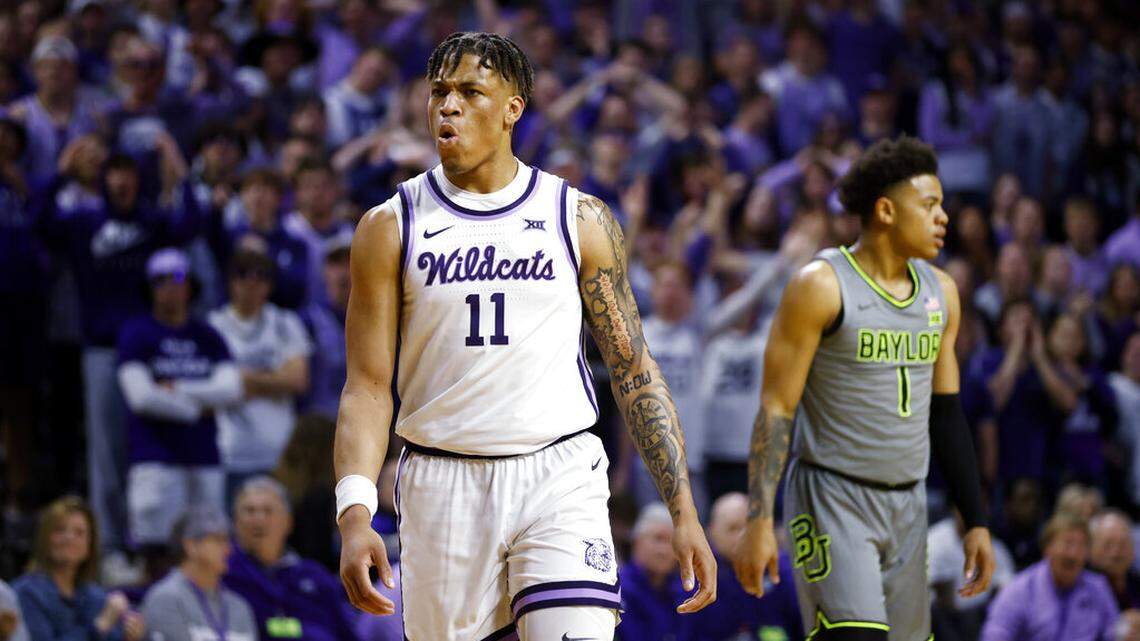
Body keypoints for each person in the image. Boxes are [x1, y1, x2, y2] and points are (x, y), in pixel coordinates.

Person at [333, 32, 715, 641]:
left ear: (513, 108)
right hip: (442, 480)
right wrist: (355, 512)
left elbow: (632, 367)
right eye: (438, 92)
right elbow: (367, 387)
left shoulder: (578, 217)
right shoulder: (389, 226)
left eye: (469, 91)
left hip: (557, 471)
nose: (448, 106)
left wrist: (683, 510)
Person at [733, 136, 996, 641]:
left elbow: (946, 414)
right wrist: (760, 518)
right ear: (886, 211)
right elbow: (777, 406)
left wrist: (976, 519)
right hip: (833, 497)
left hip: (909, 504)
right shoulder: (821, 284)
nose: (944, 217)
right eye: (929, 205)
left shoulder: (942, 291)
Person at [117, 248, 241, 567]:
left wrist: (176, 388)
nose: (170, 286)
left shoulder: (207, 336)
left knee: (209, 550)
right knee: (156, 550)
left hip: (205, 457)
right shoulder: (137, 333)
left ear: (190, 285)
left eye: (178, 277)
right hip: (154, 458)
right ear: (149, 287)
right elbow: (141, 397)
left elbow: (231, 389)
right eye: (160, 280)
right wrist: (196, 409)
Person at [208, 249, 311, 501]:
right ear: (230, 281)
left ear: (270, 284)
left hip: (279, 450)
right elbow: (212, 388)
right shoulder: (213, 325)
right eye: (243, 274)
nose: (251, 282)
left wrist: (241, 379)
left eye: (261, 275)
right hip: (230, 450)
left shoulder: (285, 322)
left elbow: (298, 380)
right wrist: (273, 378)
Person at [223, 477, 358, 641]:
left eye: (268, 511)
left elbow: (347, 632)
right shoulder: (223, 573)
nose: (258, 519)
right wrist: (300, 629)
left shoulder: (315, 575)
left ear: (288, 522)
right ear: (235, 521)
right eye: (249, 511)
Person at [13, 496, 146, 641]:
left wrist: (130, 635)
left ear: (90, 545)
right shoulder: (27, 593)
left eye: (79, 533)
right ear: (44, 539)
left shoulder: (94, 595)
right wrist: (99, 627)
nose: (69, 538)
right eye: (60, 530)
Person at [980, 512, 1119, 641]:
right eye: (1068, 543)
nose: (1073, 554)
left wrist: (1125, 630)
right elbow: (994, 635)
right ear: (1048, 547)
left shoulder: (1098, 587)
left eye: (1081, 546)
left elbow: (1114, 632)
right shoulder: (1018, 590)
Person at [141, 506, 258, 641]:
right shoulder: (165, 599)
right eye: (218, 540)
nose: (229, 549)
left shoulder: (240, 607)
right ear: (191, 546)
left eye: (228, 541)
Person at [616, 503, 685, 641]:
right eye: (658, 539)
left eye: (671, 542)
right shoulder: (618, 589)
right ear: (636, 541)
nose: (664, 550)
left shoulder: (685, 592)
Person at [1089, 509, 1140, 609]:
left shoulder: (1136, 582)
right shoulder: (1081, 586)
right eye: (1108, 545)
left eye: (1123, 544)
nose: (1116, 553)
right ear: (1090, 548)